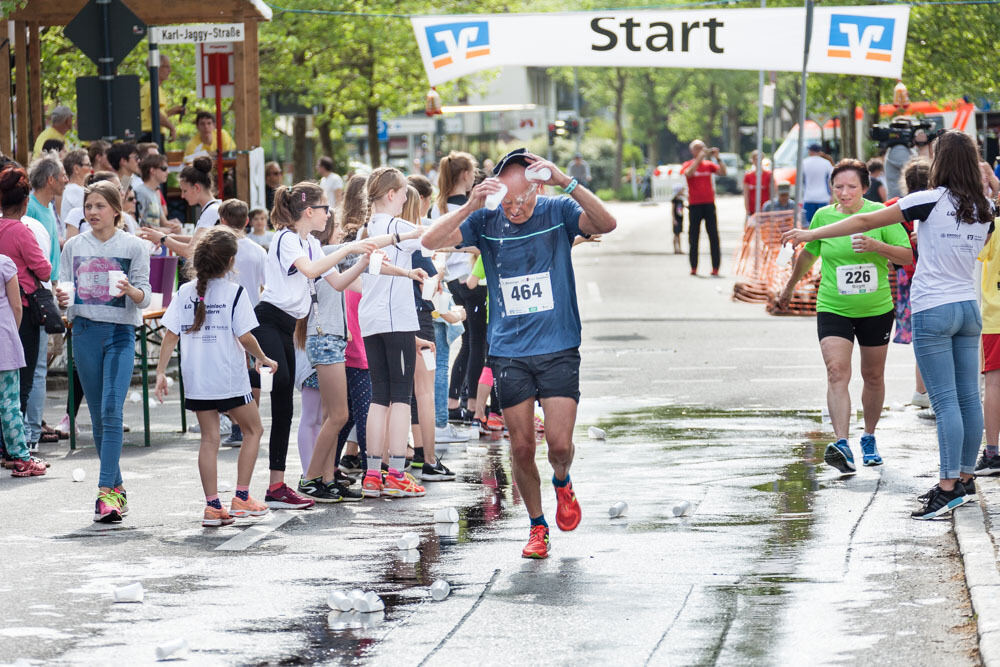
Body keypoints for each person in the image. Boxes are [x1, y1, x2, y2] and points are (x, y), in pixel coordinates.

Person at [783, 131, 993, 520]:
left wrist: (812, 233)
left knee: (945, 400)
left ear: (940, 163)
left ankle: (947, 488)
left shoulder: (927, 199)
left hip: (934, 307)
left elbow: (864, 218)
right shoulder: (985, 207)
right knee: (968, 398)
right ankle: (963, 478)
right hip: (968, 306)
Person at [422, 147, 617, 559]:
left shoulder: (557, 209)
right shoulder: (486, 219)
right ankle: (537, 526)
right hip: (509, 350)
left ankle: (562, 482)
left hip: (558, 345)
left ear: (539, 187)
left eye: (522, 199)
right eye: (506, 201)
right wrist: (472, 204)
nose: (514, 209)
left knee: (559, 446)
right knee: (523, 447)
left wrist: (568, 181)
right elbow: (430, 240)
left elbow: (607, 222)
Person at [252, 181, 395, 510]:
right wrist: (348, 250)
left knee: (294, 408)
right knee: (289, 404)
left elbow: (338, 281)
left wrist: (363, 260)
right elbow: (312, 270)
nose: (329, 213)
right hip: (270, 320)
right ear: (309, 211)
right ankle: (303, 480)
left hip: (288, 325)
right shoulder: (288, 239)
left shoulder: (309, 242)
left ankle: (294, 483)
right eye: (325, 208)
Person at [778, 159, 911, 474]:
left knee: (873, 376)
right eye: (838, 186)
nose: (844, 192)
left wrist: (876, 245)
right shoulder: (824, 217)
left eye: (852, 186)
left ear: (865, 188)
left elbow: (906, 255)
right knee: (837, 371)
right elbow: (811, 252)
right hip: (833, 305)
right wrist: (789, 287)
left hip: (875, 308)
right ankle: (842, 443)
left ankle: (868, 436)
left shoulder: (881, 214)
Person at [155, 227, 274, 526]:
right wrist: (263, 358)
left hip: (198, 380)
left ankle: (212, 506)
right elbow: (244, 336)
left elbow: (169, 336)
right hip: (228, 377)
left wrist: (159, 372)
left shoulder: (184, 292)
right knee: (253, 430)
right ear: (231, 261)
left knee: (209, 440)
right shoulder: (235, 292)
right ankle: (242, 497)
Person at [57, 181, 151, 523]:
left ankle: (104, 495)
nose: (92, 213)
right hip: (83, 332)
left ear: (116, 210)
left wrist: (131, 290)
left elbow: (146, 295)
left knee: (112, 409)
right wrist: (61, 298)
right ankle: (117, 487)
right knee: (98, 417)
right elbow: (63, 287)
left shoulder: (134, 246)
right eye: (88, 207)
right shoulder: (73, 246)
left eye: (99, 206)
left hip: (120, 334)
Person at [357, 168, 432, 499]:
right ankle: (398, 473)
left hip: (370, 319)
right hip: (395, 319)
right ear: (390, 194)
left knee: (379, 395)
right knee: (401, 396)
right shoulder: (398, 226)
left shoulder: (367, 227)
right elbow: (434, 238)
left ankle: (373, 473)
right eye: (403, 192)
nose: (406, 197)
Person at [295, 208, 372, 503]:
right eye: (336, 226)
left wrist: (368, 263)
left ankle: (327, 478)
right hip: (325, 341)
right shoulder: (325, 253)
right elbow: (347, 260)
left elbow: (351, 282)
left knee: (331, 415)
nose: (339, 231)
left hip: (331, 340)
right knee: (340, 414)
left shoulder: (329, 260)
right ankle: (311, 478)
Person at [399, 183, 454, 481]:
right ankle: (429, 459)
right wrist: (440, 266)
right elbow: (431, 286)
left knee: (404, 393)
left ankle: (416, 453)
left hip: (396, 320)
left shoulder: (387, 239)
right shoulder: (418, 242)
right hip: (420, 318)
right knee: (425, 393)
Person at [0, 164, 51, 466]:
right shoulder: (22, 230)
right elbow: (44, 269)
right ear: (26, 201)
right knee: (20, 383)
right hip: (22, 313)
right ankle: (16, 449)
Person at [433, 151, 486, 423]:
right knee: (479, 343)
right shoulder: (468, 209)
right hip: (471, 277)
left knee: (468, 342)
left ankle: (456, 400)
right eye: (473, 171)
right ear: (466, 174)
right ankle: (473, 403)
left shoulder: (438, 207)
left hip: (452, 280)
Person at [884, 159, 931, 408]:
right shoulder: (937, 204)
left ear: (906, 181)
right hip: (934, 273)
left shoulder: (895, 206)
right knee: (932, 334)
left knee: (920, 334)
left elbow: (872, 222)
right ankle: (924, 390)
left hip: (907, 274)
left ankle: (921, 390)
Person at [0, 249, 43, 477]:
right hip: (3, 341)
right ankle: (20, 458)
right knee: (9, 403)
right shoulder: (5, 264)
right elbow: (17, 307)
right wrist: (12, 336)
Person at [138, 157, 219, 256]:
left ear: (196, 188)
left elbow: (190, 251)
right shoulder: (212, 209)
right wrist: (169, 237)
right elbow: (199, 239)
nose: (182, 196)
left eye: (185, 190)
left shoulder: (211, 211)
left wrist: (163, 238)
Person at [682, 140, 726, 276]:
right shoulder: (688, 164)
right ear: (692, 151)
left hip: (708, 203)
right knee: (694, 236)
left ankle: (715, 267)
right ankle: (694, 266)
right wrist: (698, 159)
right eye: (697, 148)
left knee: (713, 235)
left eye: (702, 147)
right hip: (695, 204)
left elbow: (723, 172)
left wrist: (717, 157)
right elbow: (688, 173)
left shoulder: (709, 165)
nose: (701, 150)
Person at [139, 54, 184, 143]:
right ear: (157, 68)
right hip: (151, 136)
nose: (170, 70)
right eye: (166, 67)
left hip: (146, 135)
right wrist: (172, 128)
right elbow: (155, 113)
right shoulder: (154, 88)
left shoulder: (147, 87)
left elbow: (153, 114)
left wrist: (171, 112)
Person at [133, 152, 179, 231]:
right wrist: (165, 230)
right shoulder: (141, 192)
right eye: (164, 168)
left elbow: (163, 222)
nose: (168, 172)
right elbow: (139, 224)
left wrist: (175, 225)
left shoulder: (156, 192)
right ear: (152, 171)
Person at [801, 143, 833, 225]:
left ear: (810, 151)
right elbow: (832, 180)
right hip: (823, 197)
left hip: (808, 197)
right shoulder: (826, 163)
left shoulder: (804, 163)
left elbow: (801, 181)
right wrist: (832, 195)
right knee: (823, 224)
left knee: (809, 224)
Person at [61, 149, 91, 223]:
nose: (91, 168)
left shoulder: (73, 189)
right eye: (88, 165)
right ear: (76, 169)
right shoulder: (75, 190)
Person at [743, 150, 773, 219]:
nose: (757, 161)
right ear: (752, 160)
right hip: (752, 209)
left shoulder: (769, 175)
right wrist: (747, 210)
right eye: (755, 159)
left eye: (759, 159)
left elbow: (772, 192)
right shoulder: (748, 176)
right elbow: (746, 194)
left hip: (765, 209)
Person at [670, 183, 685, 254]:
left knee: (679, 234)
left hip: (680, 218)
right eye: (682, 190)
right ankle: (675, 249)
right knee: (676, 234)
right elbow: (673, 210)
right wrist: (674, 219)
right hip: (676, 219)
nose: (683, 191)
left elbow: (682, 208)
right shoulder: (674, 200)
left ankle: (679, 249)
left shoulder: (681, 200)